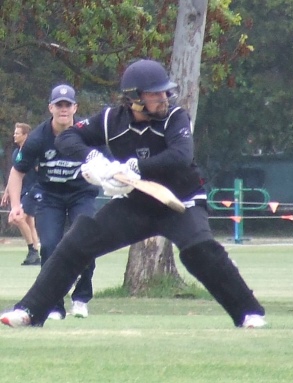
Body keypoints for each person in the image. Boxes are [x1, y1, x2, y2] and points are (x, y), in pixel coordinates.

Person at [0, 59, 266, 329]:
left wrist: (135, 167)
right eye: (154, 94)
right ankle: (30, 310)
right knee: (77, 241)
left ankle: (248, 313)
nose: (163, 98)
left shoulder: (176, 117)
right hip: (136, 204)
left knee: (199, 250)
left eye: (164, 92)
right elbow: (67, 139)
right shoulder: (110, 120)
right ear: (134, 99)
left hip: (180, 202)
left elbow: (181, 156)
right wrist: (93, 159)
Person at [2, 85, 99, 321]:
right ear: (51, 108)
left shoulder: (88, 133)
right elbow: (17, 171)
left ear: (75, 107)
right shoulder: (37, 137)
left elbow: (106, 161)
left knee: (85, 241)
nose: (63, 110)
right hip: (50, 196)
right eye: (59, 105)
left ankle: (81, 298)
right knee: (49, 247)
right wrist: (16, 206)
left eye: (68, 105)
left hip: (82, 194)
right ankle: (54, 305)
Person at [1, 123, 41, 266]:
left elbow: (40, 171)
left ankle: (33, 251)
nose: (14, 135)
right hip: (23, 191)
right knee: (29, 222)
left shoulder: (33, 152)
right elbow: (15, 173)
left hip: (33, 190)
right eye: (15, 133)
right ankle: (36, 253)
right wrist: (7, 191)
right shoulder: (16, 153)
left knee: (17, 219)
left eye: (18, 133)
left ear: (25, 135)